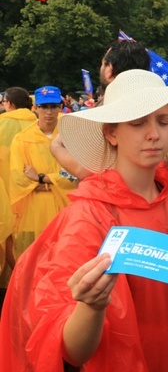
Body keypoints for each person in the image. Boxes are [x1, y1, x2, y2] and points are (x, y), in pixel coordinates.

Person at [0, 69, 168, 372]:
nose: (154, 133)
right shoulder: (88, 217)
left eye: (163, 120)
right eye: (137, 122)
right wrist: (90, 307)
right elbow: (71, 350)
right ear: (111, 132)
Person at [51, 38, 151, 181]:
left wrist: (55, 146)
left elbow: (85, 170)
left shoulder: (106, 110)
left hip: (111, 197)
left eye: (102, 64)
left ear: (109, 70)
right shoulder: (158, 108)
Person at [8, 86, 77, 258]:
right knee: (33, 258)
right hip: (34, 212)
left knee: (64, 257)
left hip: (66, 208)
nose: (49, 112)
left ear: (60, 107)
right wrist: (54, 183)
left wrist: (41, 178)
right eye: (44, 107)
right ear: (36, 108)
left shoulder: (72, 134)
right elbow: (19, 178)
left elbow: (75, 174)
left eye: (53, 106)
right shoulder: (22, 139)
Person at [0, 87, 36, 286]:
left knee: (6, 239)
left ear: (9, 104)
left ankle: (15, 282)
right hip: (36, 194)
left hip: (5, 193)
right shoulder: (42, 124)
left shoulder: (1, 123)